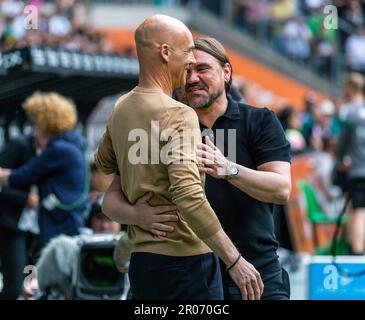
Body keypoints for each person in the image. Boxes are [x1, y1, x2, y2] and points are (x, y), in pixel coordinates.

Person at [104, 36, 292, 300]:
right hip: (185, 277)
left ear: (226, 72)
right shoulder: (160, 123)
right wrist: (136, 215)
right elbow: (111, 199)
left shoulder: (258, 121)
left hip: (254, 275)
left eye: (202, 69)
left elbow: (281, 189)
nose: (192, 79)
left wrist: (228, 169)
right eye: (187, 70)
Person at [0, 92, 89, 248]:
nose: (34, 130)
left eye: (36, 124)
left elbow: (23, 176)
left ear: (46, 123)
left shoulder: (59, 149)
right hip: (67, 223)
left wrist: (2, 175)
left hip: (59, 226)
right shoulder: (73, 144)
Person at [0, 135, 37, 300]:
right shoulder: (19, 145)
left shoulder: (57, 150)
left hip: (38, 228)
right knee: (14, 285)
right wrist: (24, 198)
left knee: (31, 286)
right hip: (13, 225)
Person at [337, 72, 365, 255]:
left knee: (358, 211)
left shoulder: (348, 111)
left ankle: (356, 253)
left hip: (355, 170)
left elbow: (341, 144)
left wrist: (340, 158)